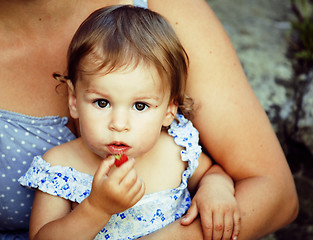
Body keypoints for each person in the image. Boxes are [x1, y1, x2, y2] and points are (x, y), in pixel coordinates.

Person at [0, 0, 298, 239]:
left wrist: (215, 189)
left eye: (140, 106)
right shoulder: (59, 168)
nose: (119, 123)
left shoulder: (175, 150)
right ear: (73, 101)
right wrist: (95, 209)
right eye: (102, 102)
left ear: (170, 110)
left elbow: (211, 173)